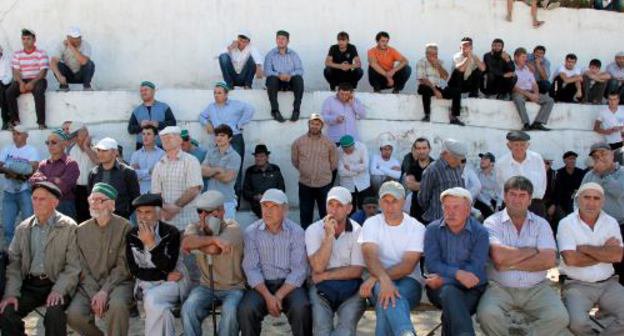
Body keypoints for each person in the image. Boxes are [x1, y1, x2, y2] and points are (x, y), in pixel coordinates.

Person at [477, 176, 571, 336]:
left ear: (530, 199)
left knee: (560, 317)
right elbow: (498, 257)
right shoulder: (492, 223)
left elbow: (548, 260)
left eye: (522, 195)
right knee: (487, 315)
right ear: (505, 196)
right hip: (500, 288)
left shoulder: (541, 224)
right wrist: (532, 251)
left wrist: (508, 263)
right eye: (512, 194)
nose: (517, 200)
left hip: (537, 289)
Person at [0, 181, 80, 335]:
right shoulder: (23, 228)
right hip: (30, 285)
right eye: (34, 198)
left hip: (57, 282)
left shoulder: (68, 227)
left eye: (42, 199)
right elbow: (14, 265)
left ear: (55, 202)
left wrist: (59, 290)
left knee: (54, 314)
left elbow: (73, 266)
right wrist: (11, 294)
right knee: (7, 312)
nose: (36, 203)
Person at [238, 189, 311, 336]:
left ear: (285, 210)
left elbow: (299, 269)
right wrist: (268, 296)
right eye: (265, 206)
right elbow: (251, 268)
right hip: (261, 285)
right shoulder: (251, 232)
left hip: (290, 285)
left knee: (301, 308)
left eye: (274, 207)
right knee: (246, 310)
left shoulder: (297, 232)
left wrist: (278, 296)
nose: (268, 211)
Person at [358, 181, 425, 336]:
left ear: (403, 201)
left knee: (387, 299)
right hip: (379, 282)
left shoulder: (416, 227)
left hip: (410, 282)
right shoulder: (371, 223)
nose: (389, 206)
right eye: (385, 201)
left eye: (394, 201)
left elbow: (408, 266)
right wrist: (384, 279)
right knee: (386, 298)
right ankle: (406, 333)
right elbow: (370, 256)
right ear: (380, 202)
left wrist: (376, 278)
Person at [556, 182, 624, 335]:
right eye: (586, 197)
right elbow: (571, 260)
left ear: (603, 201)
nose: (591, 203)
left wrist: (586, 249)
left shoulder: (611, 222)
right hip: (576, 285)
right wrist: (605, 252)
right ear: (578, 199)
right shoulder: (566, 224)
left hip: (609, 284)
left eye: (596, 198)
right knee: (576, 324)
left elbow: (618, 256)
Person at [66, 183, 132, 336]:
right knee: (74, 314)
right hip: (88, 284)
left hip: (118, 283)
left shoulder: (125, 227)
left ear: (112, 204)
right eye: (92, 200)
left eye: (99, 200)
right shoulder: (80, 230)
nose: (94, 204)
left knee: (117, 305)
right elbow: (79, 265)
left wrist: (104, 291)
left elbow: (124, 266)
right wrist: (96, 292)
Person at [425, 187, 489, 336]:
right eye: (446, 207)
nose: (450, 212)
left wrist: (444, 279)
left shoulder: (480, 233)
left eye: (456, 207)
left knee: (452, 309)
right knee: (450, 295)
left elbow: (474, 272)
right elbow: (432, 264)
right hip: (438, 289)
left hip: (472, 289)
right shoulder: (433, 230)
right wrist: (458, 274)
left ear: (468, 210)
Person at [181, 190, 245, 336]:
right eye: (199, 211)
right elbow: (186, 242)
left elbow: (214, 250)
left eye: (207, 212)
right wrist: (213, 239)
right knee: (188, 308)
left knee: (230, 312)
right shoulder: (194, 227)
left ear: (221, 211)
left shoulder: (233, 227)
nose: (202, 216)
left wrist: (198, 244)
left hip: (233, 287)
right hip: (206, 286)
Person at [126, 193, 190, 336]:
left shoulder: (170, 232)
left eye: (147, 212)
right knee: (161, 310)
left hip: (175, 282)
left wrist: (151, 244)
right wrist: (164, 276)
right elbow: (135, 270)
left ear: (158, 213)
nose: (142, 217)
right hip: (149, 282)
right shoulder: (131, 235)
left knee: (152, 299)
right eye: (139, 212)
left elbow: (169, 266)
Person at [305, 186, 365, 336]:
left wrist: (325, 275)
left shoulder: (357, 231)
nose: (333, 210)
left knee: (346, 330)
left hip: (351, 290)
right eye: (330, 204)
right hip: (321, 290)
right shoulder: (313, 230)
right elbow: (318, 267)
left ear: (349, 208)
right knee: (321, 331)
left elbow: (356, 270)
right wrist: (328, 237)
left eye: (339, 205)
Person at [199, 81, 254, 200]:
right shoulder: (211, 107)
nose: (216, 95)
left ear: (226, 94)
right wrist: (207, 123)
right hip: (218, 140)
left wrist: (240, 125)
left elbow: (250, 109)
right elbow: (202, 116)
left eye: (219, 93)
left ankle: (235, 200)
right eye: (215, 93)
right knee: (216, 165)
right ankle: (217, 198)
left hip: (234, 138)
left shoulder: (235, 104)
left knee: (235, 171)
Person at [581, 142, 624, 286]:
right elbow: (579, 198)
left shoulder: (622, 172)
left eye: (603, 154)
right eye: (596, 156)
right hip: (595, 228)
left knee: (620, 263)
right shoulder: (589, 175)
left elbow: (618, 191)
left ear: (612, 154)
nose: (600, 158)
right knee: (600, 262)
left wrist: (603, 174)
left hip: (620, 225)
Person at [151, 126, 204, 232]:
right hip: (167, 224)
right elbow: (156, 194)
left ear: (180, 140)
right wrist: (166, 209)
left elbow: (194, 189)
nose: (165, 140)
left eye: (169, 137)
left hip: (189, 223)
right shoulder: (159, 165)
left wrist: (175, 207)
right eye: (163, 138)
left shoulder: (191, 161)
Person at [292, 113, 338, 228]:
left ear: (321, 126)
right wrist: (306, 170)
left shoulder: (329, 143)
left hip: (324, 184)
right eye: (312, 123)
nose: (314, 126)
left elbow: (334, 164)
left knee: (326, 213)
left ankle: (326, 238)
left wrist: (321, 173)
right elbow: (295, 161)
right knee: (305, 214)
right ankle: (306, 239)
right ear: (308, 124)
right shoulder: (298, 142)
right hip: (305, 183)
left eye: (317, 124)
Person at [0, 125, 39, 244]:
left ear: (26, 135)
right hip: (8, 193)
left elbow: (32, 169)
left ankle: (27, 252)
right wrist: (16, 173)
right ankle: (10, 256)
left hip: (25, 191)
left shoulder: (31, 150)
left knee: (29, 226)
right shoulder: (7, 149)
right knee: (7, 227)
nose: (15, 136)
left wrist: (9, 169)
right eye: (14, 134)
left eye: (18, 134)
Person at [495, 131, 547, 217]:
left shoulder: (537, 159)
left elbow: (543, 182)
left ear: (528, 145)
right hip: (512, 205)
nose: (519, 148)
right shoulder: (501, 163)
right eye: (516, 145)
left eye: (522, 144)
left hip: (534, 205)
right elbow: (500, 186)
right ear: (509, 146)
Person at [29, 129, 79, 219]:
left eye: (54, 142)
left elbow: (63, 188)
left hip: (64, 206)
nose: (50, 145)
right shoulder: (43, 164)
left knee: (65, 232)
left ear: (64, 144)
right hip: (44, 206)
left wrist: (44, 180)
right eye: (47, 143)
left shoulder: (71, 164)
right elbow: (33, 182)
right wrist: (54, 179)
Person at [5, 29, 49, 129]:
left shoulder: (41, 53)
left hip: (38, 79)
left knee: (39, 91)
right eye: (23, 39)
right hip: (22, 80)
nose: (25, 41)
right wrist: (20, 83)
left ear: (34, 40)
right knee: (9, 92)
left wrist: (33, 82)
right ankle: (15, 121)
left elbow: (43, 72)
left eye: (28, 39)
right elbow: (15, 72)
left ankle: (41, 123)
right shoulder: (17, 54)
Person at [88, 137, 140, 219]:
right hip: (98, 219)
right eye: (98, 150)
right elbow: (90, 196)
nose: (100, 153)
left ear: (115, 152)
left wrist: (124, 213)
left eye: (104, 150)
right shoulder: (94, 173)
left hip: (120, 219)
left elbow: (135, 198)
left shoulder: (128, 172)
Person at [418, 138, 467, 224]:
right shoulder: (432, 170)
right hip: (437, 222)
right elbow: (423, 199)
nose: (459, 162)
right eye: (456, 158)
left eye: (461, 159)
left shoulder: (457, 168)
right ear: (445, 154)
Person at [201, 124, 241, 219]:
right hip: (210, 202)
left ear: (230, 138)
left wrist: (210, 172)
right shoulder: (211, 152)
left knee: (228, 231)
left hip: (226, 201)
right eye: (217, 135)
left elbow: (227, 178)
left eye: (222, 135)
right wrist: (218, 170)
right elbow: (202, 171)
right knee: (211, 232)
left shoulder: (235, 156)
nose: (218, 138)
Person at [416, 43, 463, 124]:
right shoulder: (421, 62)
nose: (434, 56)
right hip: (426, 86)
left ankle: (454, 117)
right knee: (425, 88)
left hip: (436, 87)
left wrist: (438, 66)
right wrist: (435, 91)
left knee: (456, 91)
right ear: (427, 53)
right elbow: (423, 79)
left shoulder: (439, 62)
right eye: (432, 54)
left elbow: (445, 77)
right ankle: (427, 115)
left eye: (436, 54)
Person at [264, 30, 304, 123]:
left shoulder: (293, 54)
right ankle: (275, 111)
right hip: (277, 83)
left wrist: (290, 75)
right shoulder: (270, 54)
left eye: (283, 39)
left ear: (288, 41)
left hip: (290, 82)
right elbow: (267, 71)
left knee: (298, 79)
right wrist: (279, 75)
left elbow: (300, 70)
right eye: (278, 38)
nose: (280, 41)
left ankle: (296, 110)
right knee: (271, 79)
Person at [512, 47, 554, 131]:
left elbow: (534, 84)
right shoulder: (511, 68)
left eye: (526, 57)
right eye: (523, 57)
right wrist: (529, 95)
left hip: (530, 92)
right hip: (519, 92)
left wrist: (536, 94)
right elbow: (513, 87)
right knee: (518, 99)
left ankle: (538, 123)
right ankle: (526, 124)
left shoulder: (528, 68)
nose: (525, 59)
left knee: (549, 100)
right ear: (516, 57)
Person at [127, 81, 176, 150]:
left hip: (162, 146)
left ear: (153, 91)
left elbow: (173, 123)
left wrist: (159, 124)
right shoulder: (136, 110)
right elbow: (130, 129)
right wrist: (140, 125)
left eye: (146, 90)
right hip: (142, 148)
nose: (143, 92)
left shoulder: (164, 107)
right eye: (141, 91)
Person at [65, 122, 97, 223]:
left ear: (84, 133)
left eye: (75, 135)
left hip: (93, 188)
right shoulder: (71, 149)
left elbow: (98, 161)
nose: (74, 139)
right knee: (81, 219)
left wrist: (87, 147)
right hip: (78, 189)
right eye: (73, 136)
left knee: (94, 218)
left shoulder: (96, 144)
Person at [242, 144, 285, 218]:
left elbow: (282, 189)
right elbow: (245, 192)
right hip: (258, 204)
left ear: (267, 157)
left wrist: (271, 197)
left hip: (273, 202)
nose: (259, 158)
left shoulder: (275, 169)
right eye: (257, 156)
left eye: (261, 156)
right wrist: (255, 196)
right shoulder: (250, 171)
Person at [49, 26, 94, 91]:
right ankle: (64, 86)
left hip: (81, 75)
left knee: (90, 63)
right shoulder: (61, 45)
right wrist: (59, 76)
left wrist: (70, 46)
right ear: (68, 38)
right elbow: (53, 62)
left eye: (79, 38)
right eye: (74, 39)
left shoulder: (86, 45)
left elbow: (84, 62)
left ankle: (87, 87)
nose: (77, 41)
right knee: (58, 65)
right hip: (68, 76)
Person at [401, 137, 434, 222]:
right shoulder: (411, 167)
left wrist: (418, 184)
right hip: (416, 210)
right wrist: (430, 185)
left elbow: (439, 186)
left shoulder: (435, 166)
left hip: (433, 210)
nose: (421, 151)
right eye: (419, 148)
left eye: (424, 148)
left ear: (429, 149)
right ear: (415, 150)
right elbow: (411, 185)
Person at [338, 135, 372, 211]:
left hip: (363, 184)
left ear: (353, 145)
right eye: (346, 150)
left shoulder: (362, 147)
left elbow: (365, 166)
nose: (348, 152)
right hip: (347, 185)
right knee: (349, 210)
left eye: (350, 150)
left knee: (364, 208)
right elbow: (341, 171)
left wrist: (350, 167)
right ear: (342, 148)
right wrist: (357, 170)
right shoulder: (338, 151)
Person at [130, 125, 165, 195]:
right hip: (138, 193)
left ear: (155, 137)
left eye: (148, 134)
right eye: (143, 134)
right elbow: (132, 175)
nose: (145, 137)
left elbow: (159, 175)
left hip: (156, 193)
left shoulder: (162, 154)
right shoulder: (136, 154)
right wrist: (149, 171)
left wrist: (140, 173)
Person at [553, 151, 586, 216]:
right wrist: (555, 204)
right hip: (562, 203)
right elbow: (556, 190)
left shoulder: (581, 173)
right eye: (570, 159)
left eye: (574, 159)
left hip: (577, 202)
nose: (572, 161)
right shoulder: (559, 173)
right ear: (565, 160)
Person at [475, 152, 500, 220]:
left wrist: (498, 207)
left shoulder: (497, 175)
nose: (482, 161)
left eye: (485, 159)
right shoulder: (477, 173)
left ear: (492, 163)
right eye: (481, 159)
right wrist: (488, 204)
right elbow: (477, 193)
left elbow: (500, 192)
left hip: (494, 200)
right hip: (481, 200)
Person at [0, 44, 13, 130]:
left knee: (3, 92)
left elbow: (9, 76)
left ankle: (6, 120)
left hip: (4, 83)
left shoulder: (7, 60)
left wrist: (1, 82)